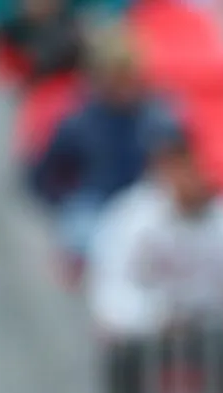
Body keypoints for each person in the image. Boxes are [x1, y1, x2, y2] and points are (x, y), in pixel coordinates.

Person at [87, 130, 223, 393]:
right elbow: (111, 292)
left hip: (212, 328)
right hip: (152, 330)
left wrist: (222, 314)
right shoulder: (131, 217)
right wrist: (156, 318)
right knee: (119, 360)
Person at [28, 22, 180, 287]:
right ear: (99, 78)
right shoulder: (77, 122)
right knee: (82, 234)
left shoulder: (159, 118)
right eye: (116, 75)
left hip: (148, 208)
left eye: (128, 74)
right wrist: (68, 200)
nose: (125, 84)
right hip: (97, 208)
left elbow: (180, 168)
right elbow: (41, 176)